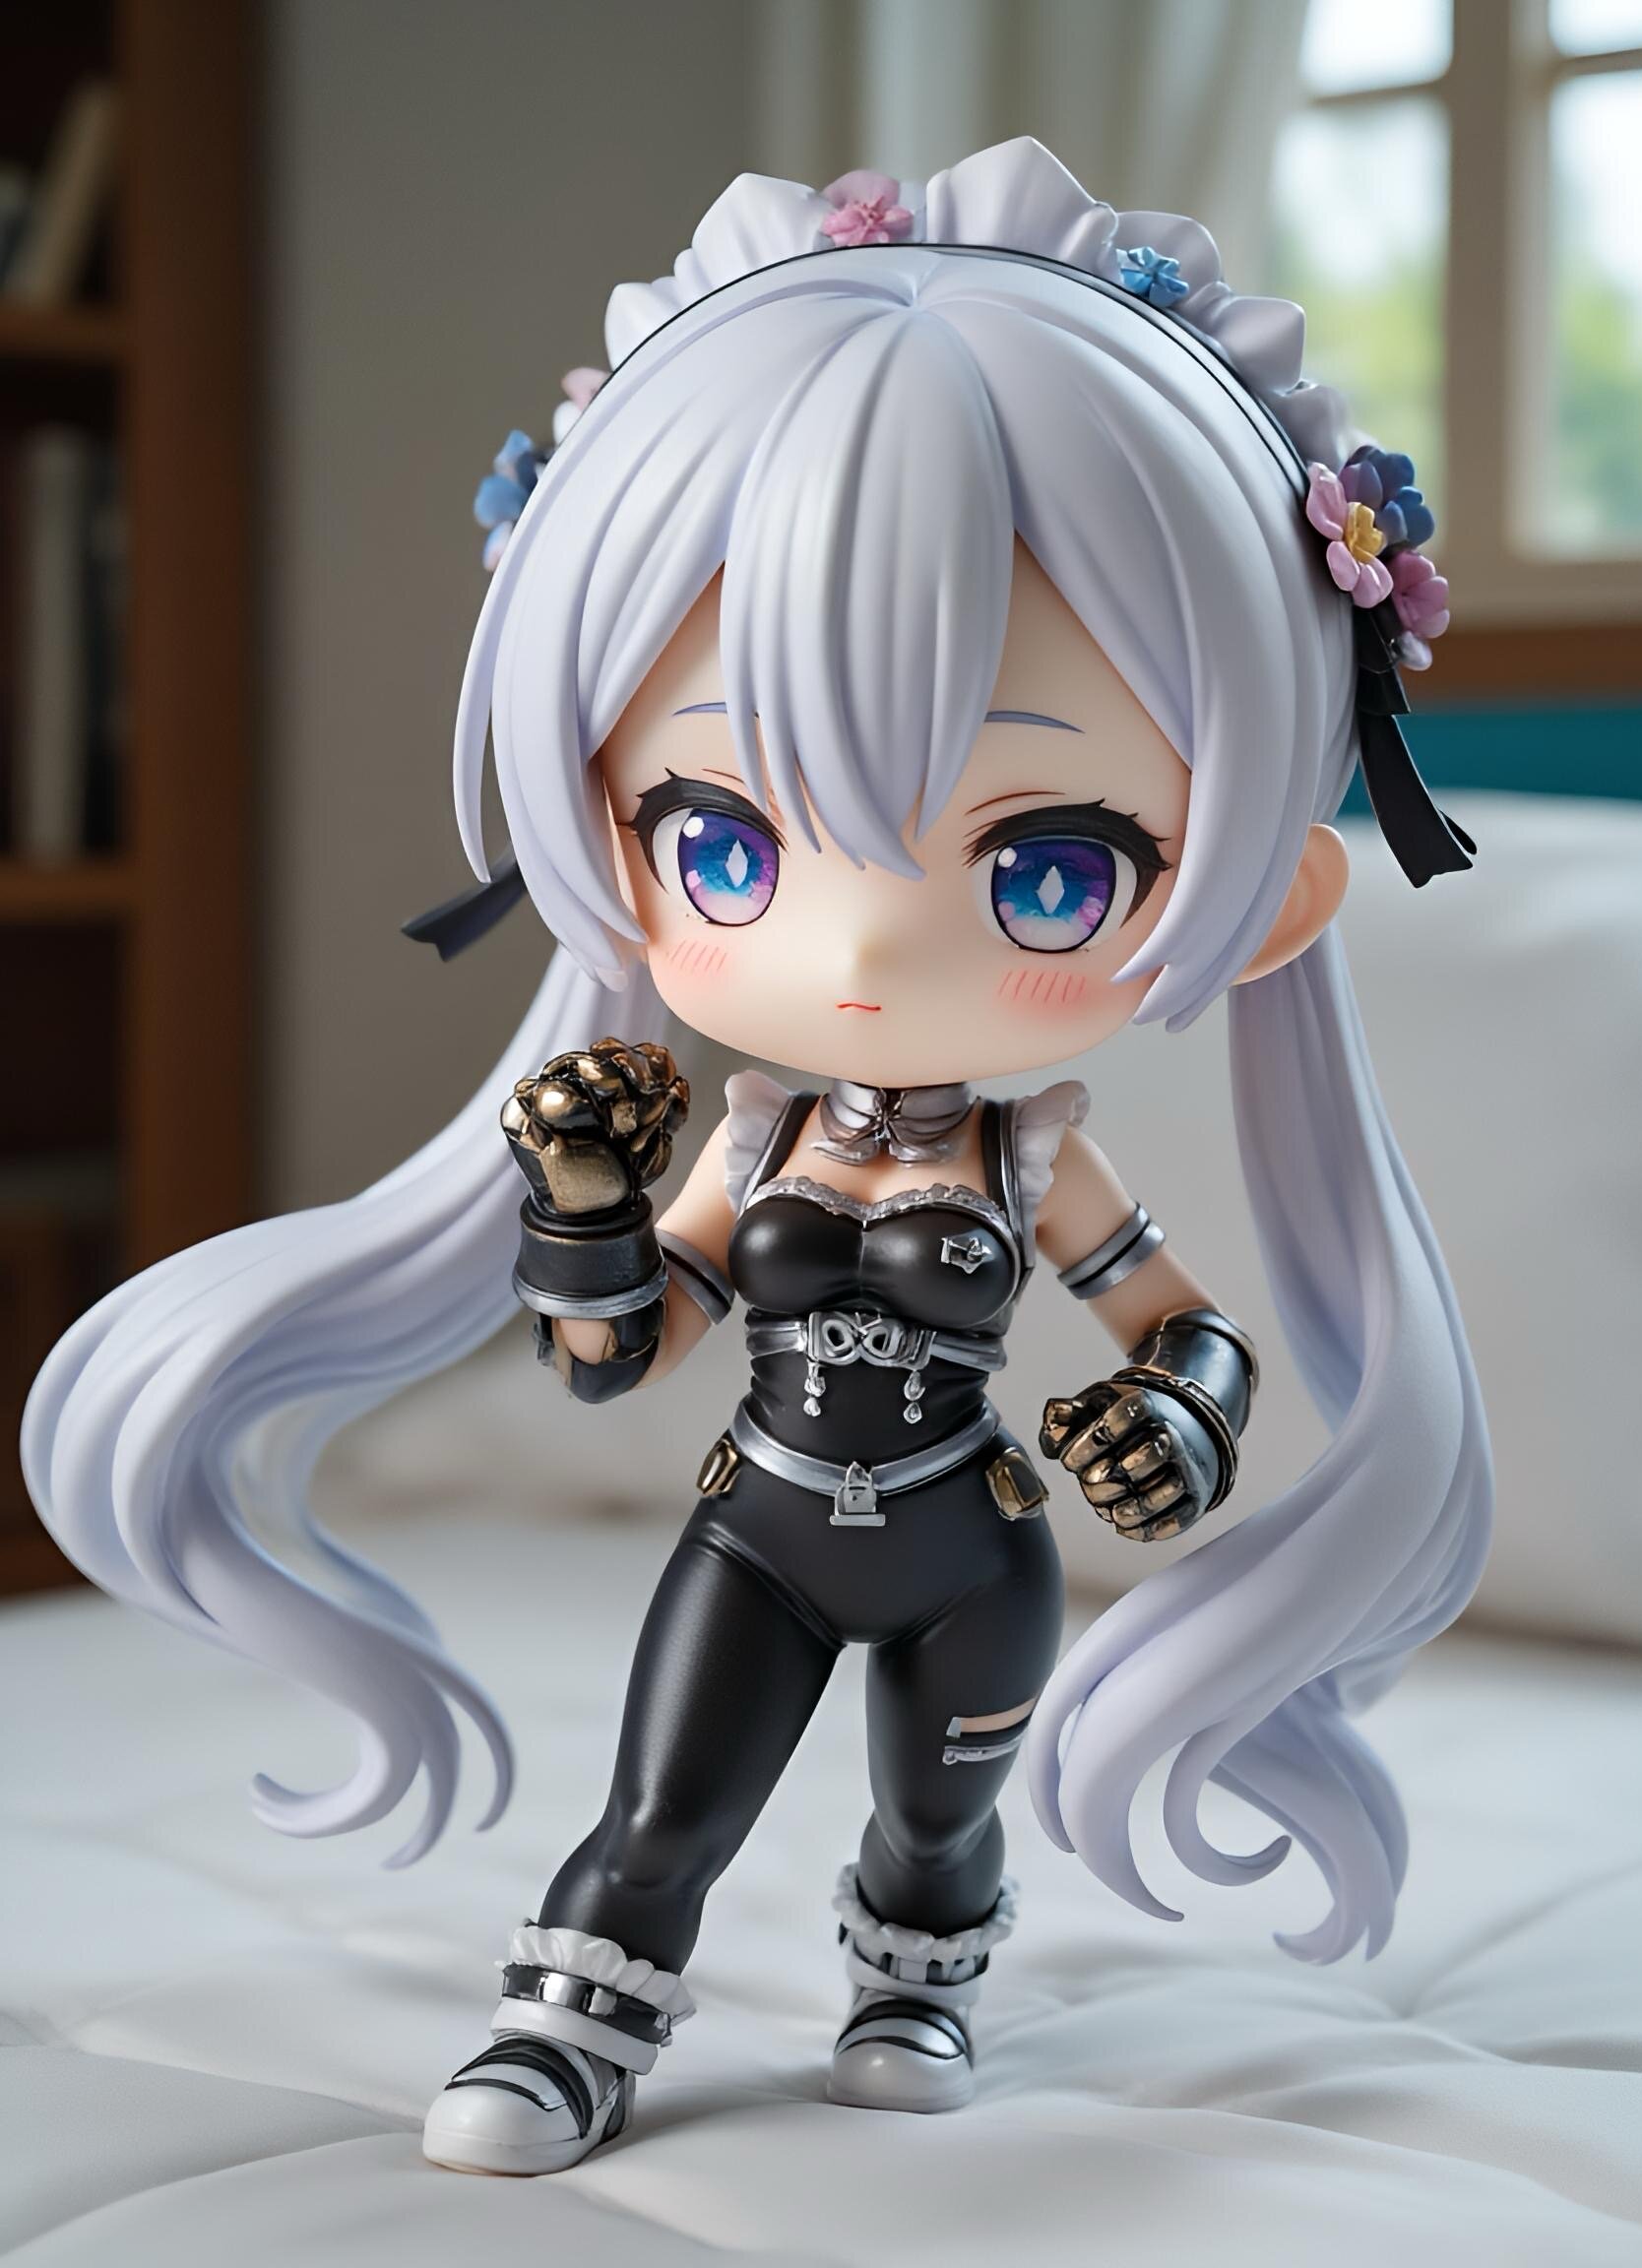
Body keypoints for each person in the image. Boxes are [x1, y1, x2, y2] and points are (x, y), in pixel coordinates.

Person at [24, 140, 1489, 2182]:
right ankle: (568, 2031)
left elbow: (1184, 1327)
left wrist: (1177, 1416)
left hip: (976, 1551)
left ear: (1262, 898)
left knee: (937, 1820)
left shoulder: (1031, 1154)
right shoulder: (753, 1132)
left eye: (1048, 869)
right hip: (765, 1530)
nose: (863, 950)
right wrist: (585, 1217)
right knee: (662, 1814)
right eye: (723, 841)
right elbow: (615, 1360)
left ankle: (919, 1977)